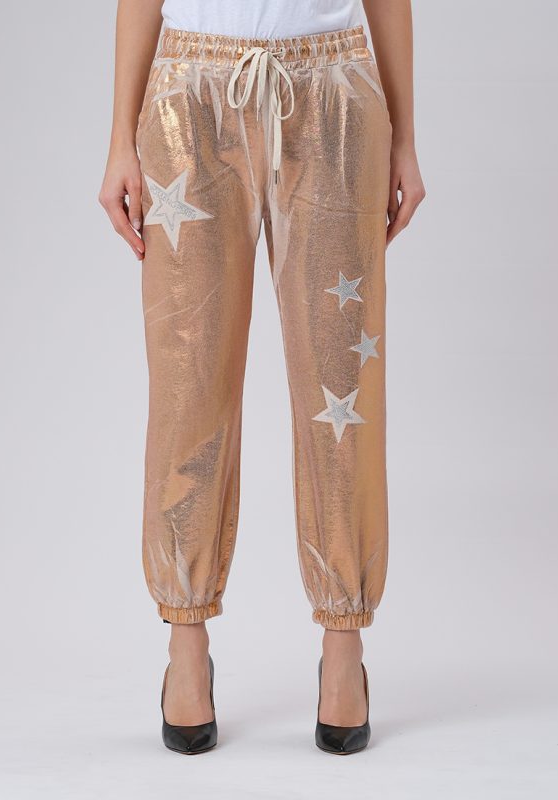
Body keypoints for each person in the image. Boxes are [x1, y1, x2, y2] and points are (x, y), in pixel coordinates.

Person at [99, 0, 425, 755]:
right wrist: (119, 138)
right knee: (188, 382)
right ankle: (185, 641)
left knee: (340, 380)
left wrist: (406, 137)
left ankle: (344, 643)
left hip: (333, 90)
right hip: (189, 94)